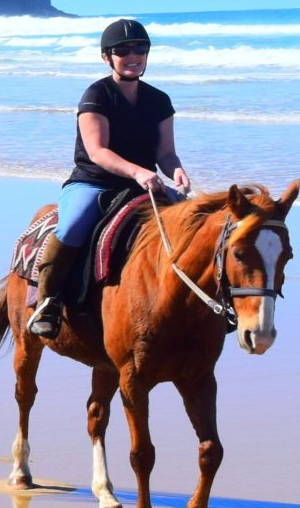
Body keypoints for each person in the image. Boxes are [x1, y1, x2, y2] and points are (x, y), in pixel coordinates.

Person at [27, 17, 193, 340]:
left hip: (142, 185)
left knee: (193, 221)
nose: (133, 56)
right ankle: (47, 301)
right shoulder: (96, 95)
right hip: (93, 183)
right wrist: (138, 171)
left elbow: (166, 154)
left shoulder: (159, 101)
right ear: (107, 57)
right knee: (73, 226)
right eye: (122, 50)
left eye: (140, 49)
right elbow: (98, 151)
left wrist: (176, 171)